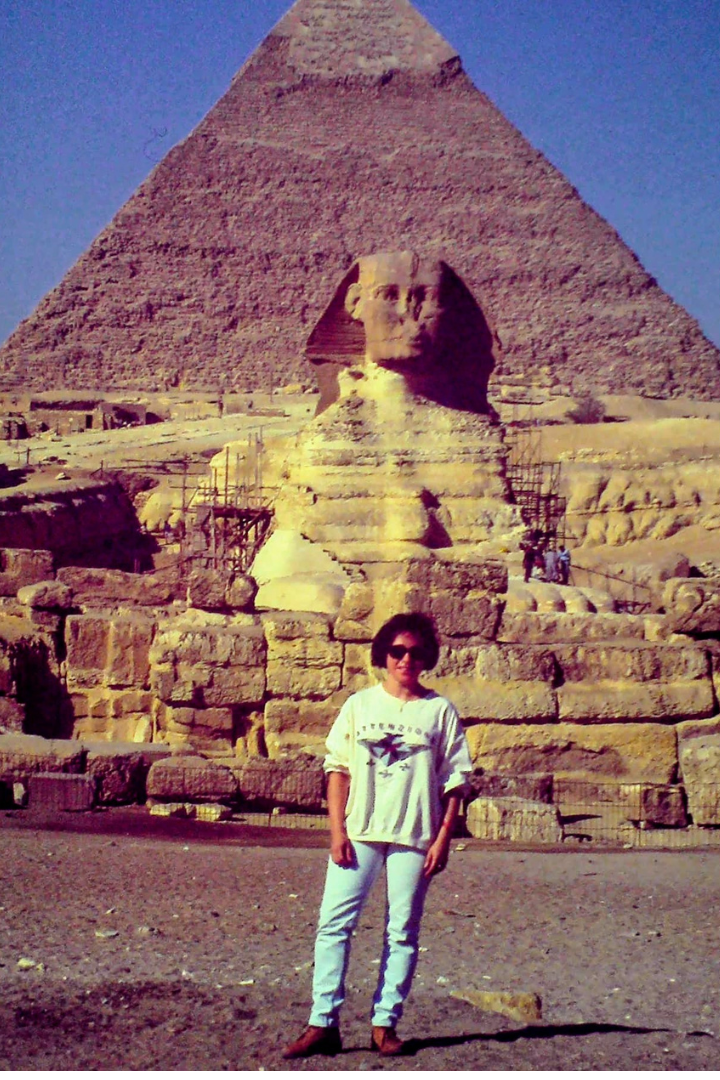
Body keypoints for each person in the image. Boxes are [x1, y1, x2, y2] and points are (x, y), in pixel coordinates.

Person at [282, 612, 472, 1060]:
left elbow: (456, 780)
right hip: (360, 831)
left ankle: (384, 1024)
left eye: (416, 652)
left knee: (402, 929)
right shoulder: (359, 706)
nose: (406, 659)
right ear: (384, 655)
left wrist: (443, 838)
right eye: (398, 651)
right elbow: (338, 770)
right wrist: (336, 831)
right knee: (334, 924)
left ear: (428, 657)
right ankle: (322, 1022)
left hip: (414, 835)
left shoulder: (438, 711)